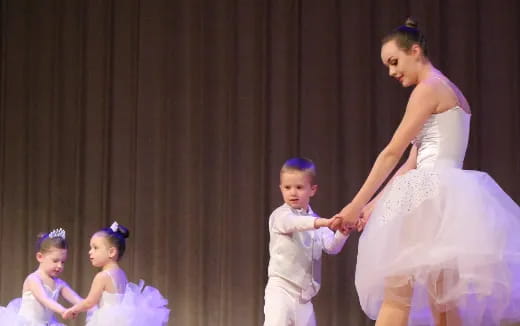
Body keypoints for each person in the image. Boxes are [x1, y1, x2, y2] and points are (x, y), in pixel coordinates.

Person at [331, 17, 520, 326]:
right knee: (442, 301)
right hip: (445, 197)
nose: (392, 71)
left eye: (394, 61)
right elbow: (412, 162)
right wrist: (370, 206)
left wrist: (352, 205)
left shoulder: (427, 89)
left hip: (426, 194)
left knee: (398, 290)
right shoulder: (451, 90)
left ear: (415, 51)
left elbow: (393, 152)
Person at [264, 157, 351, 326]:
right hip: (281, 290)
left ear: (312, 190)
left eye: (299, 187)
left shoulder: (315, 219)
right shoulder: (280, 216)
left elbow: (332, 247)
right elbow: (295, 223)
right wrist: (324, 222)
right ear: (281, 188)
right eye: (287, 187)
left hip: (305, 298)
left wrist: (342, 232)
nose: (293, 192)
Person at [62, 221, 170, 325]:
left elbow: (90, 302)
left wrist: (73, 309)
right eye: (91, 248)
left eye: (95, 248)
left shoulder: (102, 276)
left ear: (111, 252)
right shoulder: (121, 273)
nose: (90, 252)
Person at [0, 228, 83, 325]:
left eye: (63, 262)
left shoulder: (59, 284)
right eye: (55, 261)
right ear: (40, 257)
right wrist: (63, 310)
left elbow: (77, 299)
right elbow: (44, 299)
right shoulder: (33, 279)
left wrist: (90, 306)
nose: (60, 266)